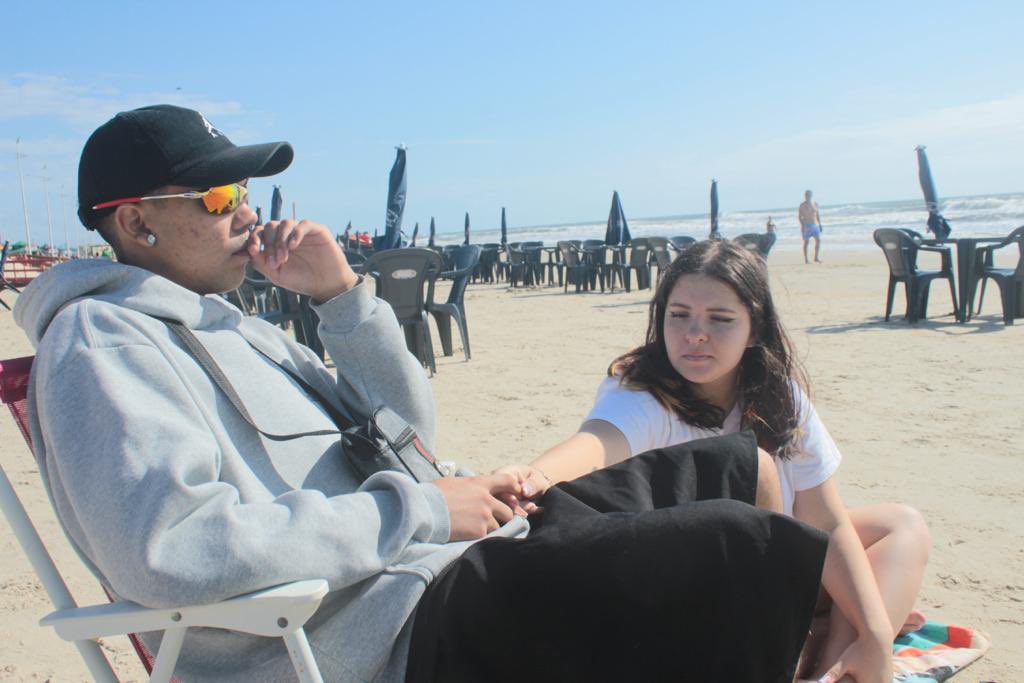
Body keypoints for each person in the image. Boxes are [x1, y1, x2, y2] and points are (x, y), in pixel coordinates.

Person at [15, 105, 827, 683]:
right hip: (381, 631)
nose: (247, 213)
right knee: (738, 545)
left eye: (246, 194)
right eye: (220, 196)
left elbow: (408, 430)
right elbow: (175, 550)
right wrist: (425, 512)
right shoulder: (101, 345)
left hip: (440, 561)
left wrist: (340, 299)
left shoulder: (228, 324)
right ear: (135, 224)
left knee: (733, 465)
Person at [514, 240, 931, 683]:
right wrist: (537, 475)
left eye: (720, 319)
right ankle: (822, 649)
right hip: (700, 589)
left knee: (901, 526)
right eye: (679, 315)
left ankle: (838, 650)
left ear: (755, 328)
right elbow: (599, 442)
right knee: (771, 492)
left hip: (783, 569)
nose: (695, 334)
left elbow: (827, 521)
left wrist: (875, 632)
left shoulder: (779, 393)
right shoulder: (642, 392)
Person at [798, 190, 823, 263]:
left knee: (818, 240)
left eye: (808, 195)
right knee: (806, 242)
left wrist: (820, 224)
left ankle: (816, 257)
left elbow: (817, 215)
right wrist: (802, 226)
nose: (807, 196)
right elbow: (799, 217)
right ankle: (806, 259)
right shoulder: (802, 205)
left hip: (815, 225)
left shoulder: (815, 204)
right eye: (806, 195)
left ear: (811, 195)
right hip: (806, 225)